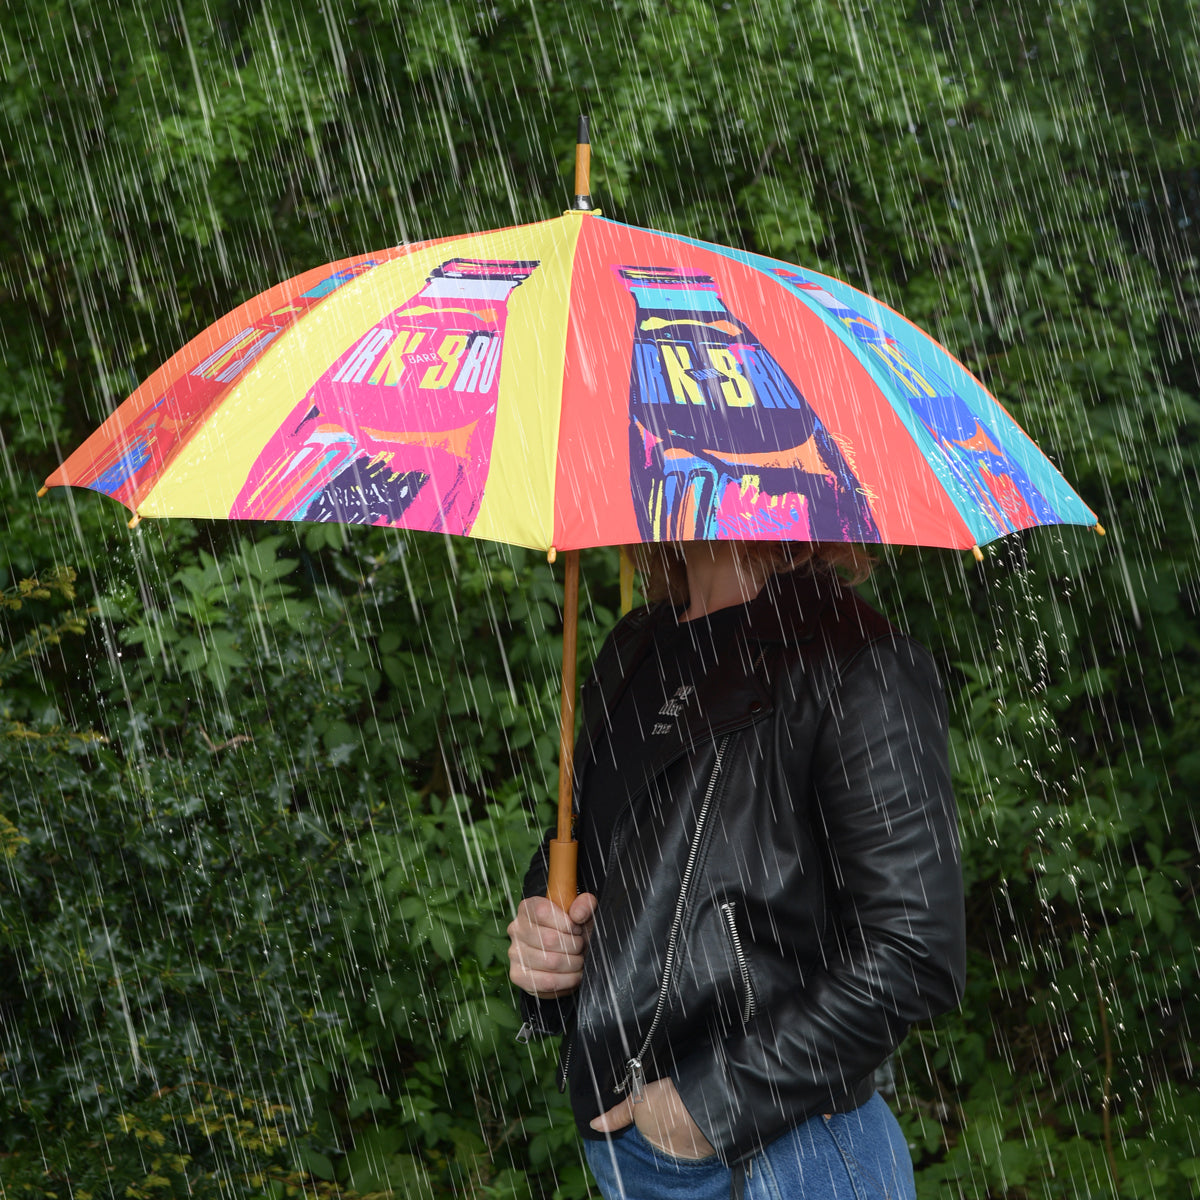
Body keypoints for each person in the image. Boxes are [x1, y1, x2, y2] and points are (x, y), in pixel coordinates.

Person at [507, 540, 965, 1199]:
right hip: (634, 1156)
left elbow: (915, 951)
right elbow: (595, 854)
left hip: (790, 1158)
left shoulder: (860, 662)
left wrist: (703, 1108)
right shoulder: (634, 647)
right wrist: (546, 941)